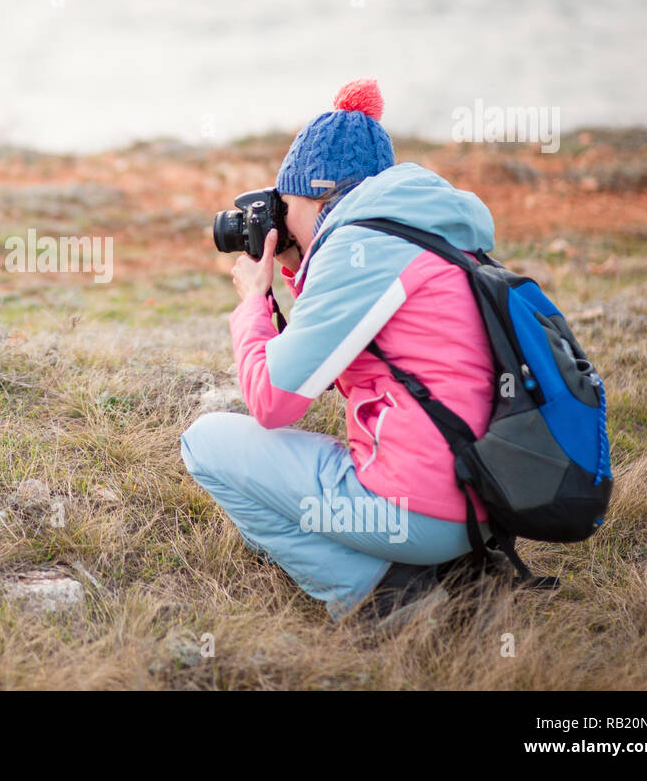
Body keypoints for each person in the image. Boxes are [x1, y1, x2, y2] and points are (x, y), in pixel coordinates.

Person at [181, 79, 501, 627]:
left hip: (423, 514)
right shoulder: (424, 233)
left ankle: (383, 597)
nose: (280, 218)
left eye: (285, 202)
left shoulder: (358, 246)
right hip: (487, 499)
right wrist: (298, 270)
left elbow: (273, 401)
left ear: (311, 195)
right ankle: (449, 571)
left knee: (206, 443)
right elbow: (341, 358)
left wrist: (256, 301)